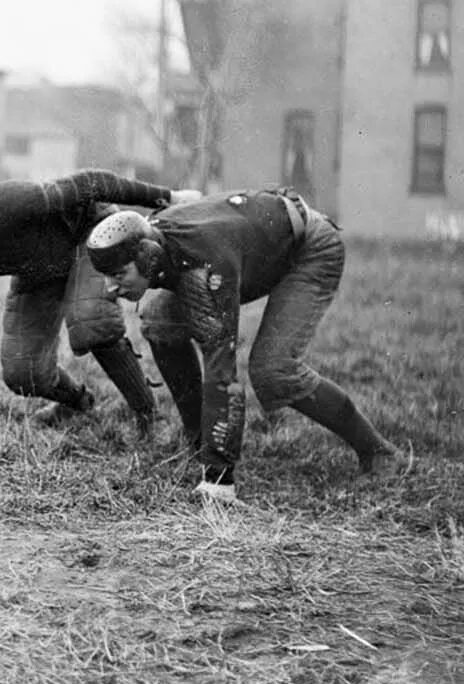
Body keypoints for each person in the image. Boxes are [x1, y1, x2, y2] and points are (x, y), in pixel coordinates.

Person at [86, 190, 398, 501]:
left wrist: (218, 479)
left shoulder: (203, 267)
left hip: (308, 251)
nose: (110, 289)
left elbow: (221, 371)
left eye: (118, 274)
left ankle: (377, 450)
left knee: (274, 371)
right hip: (255, 242)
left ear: (149, 256)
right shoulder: (157, 237)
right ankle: (198, 444)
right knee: (159, 322)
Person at [0, 170, 201, 433]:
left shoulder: (8, 204)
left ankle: (147, 414)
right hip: (38, 270)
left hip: (87, 237)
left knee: (91, 321)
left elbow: (91, 183)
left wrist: (168, 196)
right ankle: (77, 403)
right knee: (22, 372)